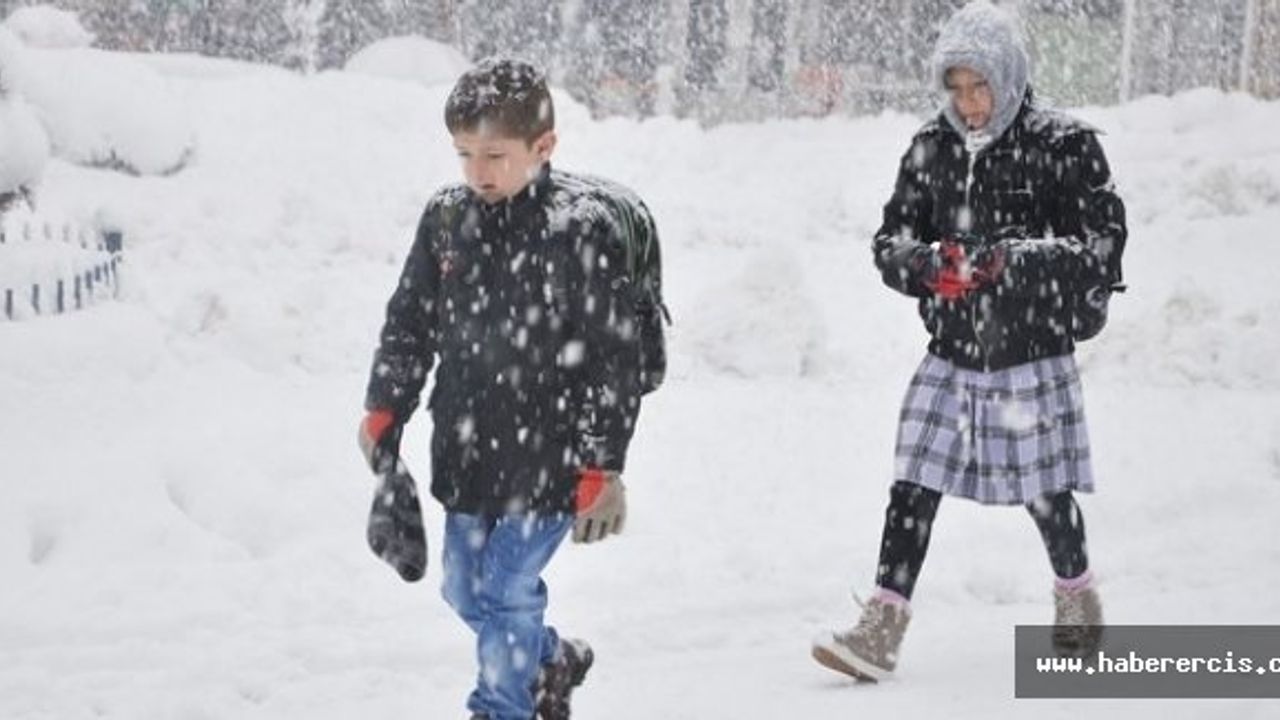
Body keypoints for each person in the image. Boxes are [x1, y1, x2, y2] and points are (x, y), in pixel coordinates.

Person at [812, 1, 1127, 682]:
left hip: (1031, 350)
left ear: (1009, 77)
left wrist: (1011, 261)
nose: (968, 103)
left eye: (980, 85)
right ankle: (881, 628)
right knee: (913, 484)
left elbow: (1101, 248)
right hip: (953, 350)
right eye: (955, 88)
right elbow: (890, 241)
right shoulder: (932, 146)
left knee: (1044, 491)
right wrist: (928, 266)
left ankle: (1078, 598)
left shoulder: (1064, 145)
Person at [358, 57, 660, 719]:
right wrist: (385, 406)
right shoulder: (446, 222)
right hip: (468, 448)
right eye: (464, 153)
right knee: (464, 590)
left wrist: (600, 464)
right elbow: (409, 322)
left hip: (551, 454)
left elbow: (612, 360)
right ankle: (548, 660)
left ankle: (500, 707)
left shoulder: (578, 230)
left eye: (495, 155)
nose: (478, 171)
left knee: (507, 590)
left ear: (542, 146)